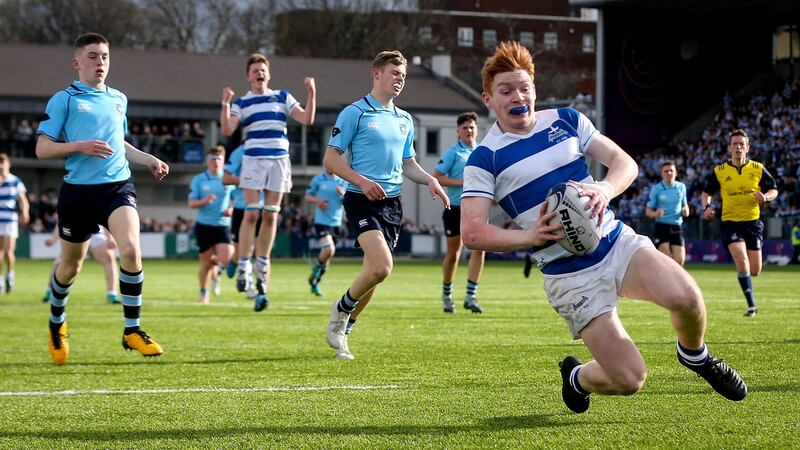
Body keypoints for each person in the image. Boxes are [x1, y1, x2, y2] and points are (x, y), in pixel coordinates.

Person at [459, 41, 746, 414]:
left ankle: (695, 355)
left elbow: (623, 162)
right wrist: (529, 236)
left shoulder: (566, 120)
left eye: (524, 87)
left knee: (689, 299)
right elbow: (473, 231)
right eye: (506, 90)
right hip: (569, 276)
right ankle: (578, 377)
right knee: (630, 379)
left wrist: (604, 188)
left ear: (535, 89)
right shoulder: (485, 158)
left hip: (614, 242)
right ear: (488, 98)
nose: (518, 96)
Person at [35, 32, 169, 365]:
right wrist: (79, 146)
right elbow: (42, 149)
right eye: (93, 56)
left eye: (105, 56)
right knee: (70, 268)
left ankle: (132, 329)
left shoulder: (118, 99)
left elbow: (117, 143)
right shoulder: (64, 99)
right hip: (77, 193)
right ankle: (56, 324)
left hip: (116, 186)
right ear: (77, 62)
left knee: (131, 249)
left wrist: (149, 159)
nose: (100, 63)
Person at [324, 50, 449, 360]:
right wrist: (362, 181)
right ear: (376, 74)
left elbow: (409, 165)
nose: (400, 79)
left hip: (392, 204)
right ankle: (341, 310)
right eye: (395, 73)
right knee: (382, 265)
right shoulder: (355, 112)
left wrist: (430, 180)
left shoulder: (405, 119)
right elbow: (330, 159)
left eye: (403, 75)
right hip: (361, 200)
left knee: (375, 273)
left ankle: (345, 330)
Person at [220, 53, 316, 312]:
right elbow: (227, 130)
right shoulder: (242, 102)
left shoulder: (282, 96)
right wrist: (225, 104)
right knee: (251, 215)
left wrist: (311, 93)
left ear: (268, 74)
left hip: (279, 161)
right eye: (254, 71)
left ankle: (262, 265)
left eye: (263, 70)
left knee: (271, 216)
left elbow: (307, 119)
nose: (259, 74)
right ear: (248, 76)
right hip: (253, 160)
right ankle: (243, 267)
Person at [701, 129, 779, 317]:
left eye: (741, 144)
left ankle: (750, 298)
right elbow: (707, 193)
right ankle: (752, 305)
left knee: (755, 270)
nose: (738, 147)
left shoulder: (758, 168)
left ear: (747, 147)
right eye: (735, 144)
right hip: (730, 222)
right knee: (741, 259)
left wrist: (766, 197)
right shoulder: (719, 171)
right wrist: (707, 207)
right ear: (729, 147)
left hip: (752, 223)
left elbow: (774, 190)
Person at [432, 112, 486, 313]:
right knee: (454, 254)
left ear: (477, 129)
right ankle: (447, 296)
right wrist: (462, 183)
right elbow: (437, 177)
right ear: (458, 131)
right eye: (464, 127)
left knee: (480, 250)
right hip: (455, 208)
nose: (469, 131)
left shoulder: (483, 151)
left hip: (478, 208)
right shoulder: (453, 152)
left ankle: (471, 296)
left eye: (471, 127)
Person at [188, 146, 235, 304]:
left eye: (219, 159)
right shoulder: (199, 180)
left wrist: (231, 209)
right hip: (204, 226)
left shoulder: (229, 179)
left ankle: (217, 269)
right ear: (207, 162)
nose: (216, 162)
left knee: (228, 259)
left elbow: (237, 199)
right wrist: (204, 201)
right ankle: (204, 293)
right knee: (205, 263)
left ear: (223, 162)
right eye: (213, 159)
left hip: (223, 225)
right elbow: (191, 203)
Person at [221, 144, 261, 299]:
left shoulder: (276, 147)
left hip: (265, 208)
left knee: (261, 253)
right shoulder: (240, 152)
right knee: (242, 251)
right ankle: (235, 260)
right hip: (242, 207)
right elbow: (226, 178)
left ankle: (259, 291)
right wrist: (249, 181)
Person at [43, 225, 120, 304]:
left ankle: (112, 294)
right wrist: (53, 238)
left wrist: (110, 237)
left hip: (96, 235)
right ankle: (50, 290)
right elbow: (61, 220)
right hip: (75, 232)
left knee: (109, 257)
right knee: (61, 262)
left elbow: (105, 218)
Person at [305, 169, 347, 296]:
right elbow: (307, 195)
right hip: (321, 222)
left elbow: (349, 200)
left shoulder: (342, 181)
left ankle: (315, 281)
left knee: (327, 257)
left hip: (336, 224)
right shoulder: (318, 179)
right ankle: (315, 268)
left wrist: (344, 193)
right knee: (329, 249)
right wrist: (317, 201)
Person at [645, 161, 690, 265]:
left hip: (677, 226)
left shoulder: (681, 187)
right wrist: (655, 214)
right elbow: (648, 211)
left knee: (680, 260)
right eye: (666, 171)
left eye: (671, 170)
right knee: (666, 258)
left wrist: (686, 211)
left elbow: (685, 205)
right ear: (662, 173)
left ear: (676, 173)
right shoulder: (656, 189)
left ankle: (673, 280)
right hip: (662, 226)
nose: (669, 173)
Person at [0, 153, 30, 294]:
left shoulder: (15, 180)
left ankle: (10, 274)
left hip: (10, 220)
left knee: (8, 252)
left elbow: (23, 199)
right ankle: (0, 279)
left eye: (3, 163)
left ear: (8, 164)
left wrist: (25, 212)